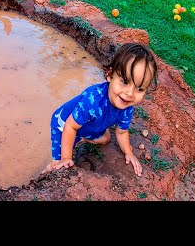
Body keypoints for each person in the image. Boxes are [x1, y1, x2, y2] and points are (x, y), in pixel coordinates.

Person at [41, 42, 158, 177]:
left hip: (82, 125)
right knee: (58, 166)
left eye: (139, 88)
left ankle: (81, 138)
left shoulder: (128, 105)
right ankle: (44, 175)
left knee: (106, 138)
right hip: (64, 124)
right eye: (125, 82)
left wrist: (129, 153)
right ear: (109, 74)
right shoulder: (92, 101)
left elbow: (121, 132)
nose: (130, 93)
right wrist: (66, 158)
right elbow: (70, 126)